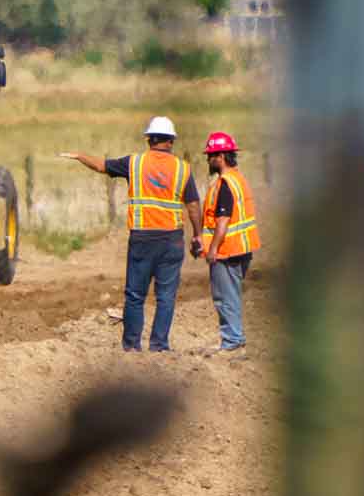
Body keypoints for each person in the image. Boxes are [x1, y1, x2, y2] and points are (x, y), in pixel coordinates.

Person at [62, 115, 202, 352]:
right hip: (171, 240)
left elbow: (100, 166)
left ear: (149, 140)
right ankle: (159, 346)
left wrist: (79, 156)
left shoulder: (134, 163)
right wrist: (198, 235)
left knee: (136, 295)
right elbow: (194, 206)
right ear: (171, 141)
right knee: (166, 297)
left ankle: (131, 347)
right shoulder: (183, 169)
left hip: (143, 239)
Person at [198, 131, 261, 352]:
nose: (208, 159)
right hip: (241, 249)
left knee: (225, 298)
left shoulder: (225, 183)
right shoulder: (238, 178)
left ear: (221, 156)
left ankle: (232, 341)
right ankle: (234, 339)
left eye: (211, 155)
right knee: (230, 296)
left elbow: (223, 222)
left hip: (228, 251)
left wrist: (212, 249)